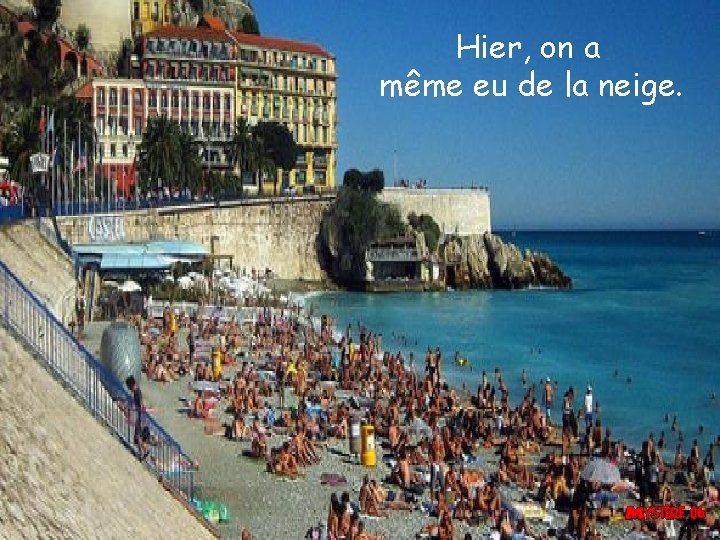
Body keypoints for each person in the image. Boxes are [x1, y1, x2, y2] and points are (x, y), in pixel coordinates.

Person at [126, 375, 148, 460]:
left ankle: (144, 451)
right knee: (136, 437)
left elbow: (141, 404)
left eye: (128, 386)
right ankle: (142, 452)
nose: (128, 388)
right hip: (140, 415)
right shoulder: (136, 391)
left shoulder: (137, 392)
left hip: (140, 416)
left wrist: (139, 413)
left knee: (137, 436)